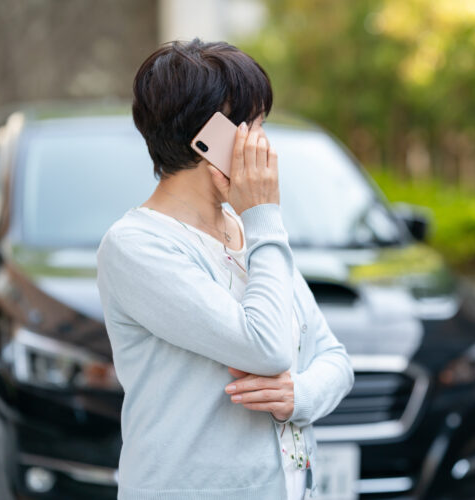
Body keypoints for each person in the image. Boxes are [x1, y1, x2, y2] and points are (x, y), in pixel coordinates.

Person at [96, 39, 354, 500]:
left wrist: (301, 396)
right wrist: (264, 217)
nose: (262, 142)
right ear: (208, 136)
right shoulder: (137, 245)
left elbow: (334, 356)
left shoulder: (248, 228)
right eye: (250, 124)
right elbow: (267, 348)